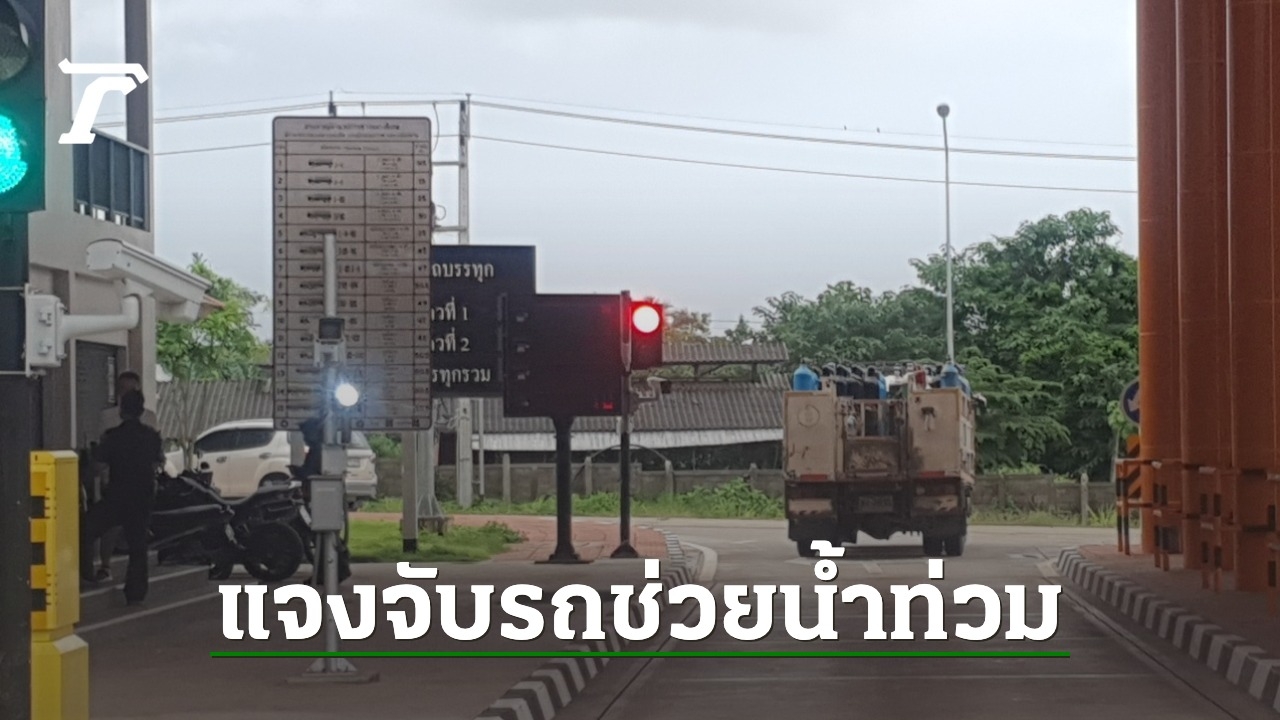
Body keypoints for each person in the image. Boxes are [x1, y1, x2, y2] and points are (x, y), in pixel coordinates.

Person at [81, 390, 165, 606]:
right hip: (142, 496)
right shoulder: (151, 436)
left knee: (85, 529)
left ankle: (85, 573)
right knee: (138, 546)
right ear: (141, 410)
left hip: (117, 496)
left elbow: (97, 466)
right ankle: (136, 592)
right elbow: (158, 462)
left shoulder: (113, 436)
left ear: (121, 410)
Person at [89, 371, 159, 582]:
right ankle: (110, 568)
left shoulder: (122, 432)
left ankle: (96, 569)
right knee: (132, 538)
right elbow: (157, 458)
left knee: (97, 528)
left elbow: (99, 458)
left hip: (122, 489)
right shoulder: (111, 420)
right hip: (131, 488)